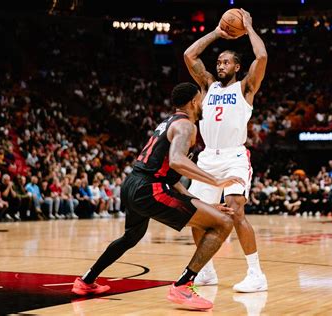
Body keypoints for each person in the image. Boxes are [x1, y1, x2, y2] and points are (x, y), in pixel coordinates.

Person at [71, 82, 245, 311]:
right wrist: (216, 181)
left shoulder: (167, 123)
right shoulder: (186, 126)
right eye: (201, 99)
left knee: (131, 236)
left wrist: (207, 204)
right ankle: (183, 285)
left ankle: (85, 281)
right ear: (194, 101)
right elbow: (176, 161)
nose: (203, 104)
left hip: (133, 183)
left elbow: (172, 178)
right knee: (223, 223)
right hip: (149, 188)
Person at [183, 8, 268, 292]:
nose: (220, 65)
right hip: (207, 157)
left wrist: (250, 27)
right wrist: (217, 33)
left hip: (233, 156)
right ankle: (206, 271)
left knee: (235, 212)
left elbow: (262, 57)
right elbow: (189, 56)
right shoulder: (207, 86)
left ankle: (256, 274)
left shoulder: (245, 88)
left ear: (237, 67)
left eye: (226, 62)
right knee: (196, 215)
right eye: (219, 61)